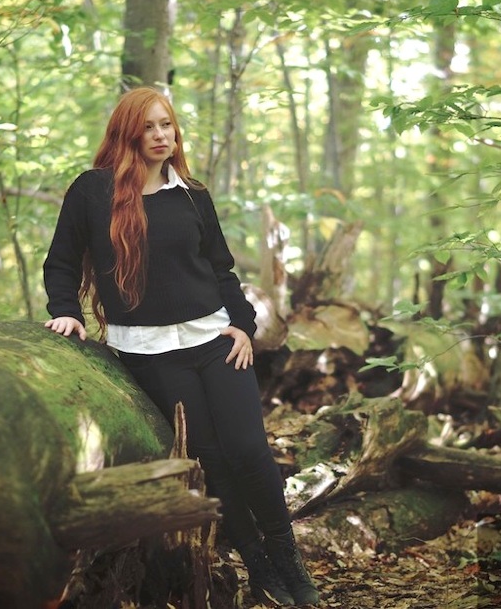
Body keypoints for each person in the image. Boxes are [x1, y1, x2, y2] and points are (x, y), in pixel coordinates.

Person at [42, 87, 320, 607]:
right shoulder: (92, 192)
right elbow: (61, 260)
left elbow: (221, 269)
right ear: (127, 131)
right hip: (148, 350)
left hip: (215, 340)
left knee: (250, 452)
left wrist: (243, 325)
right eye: (149, 127)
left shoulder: (192, 194)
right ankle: (257, 566)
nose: (161, 136)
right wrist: (66, 312)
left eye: (167, 125)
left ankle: (289, 562)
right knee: (210, 457)